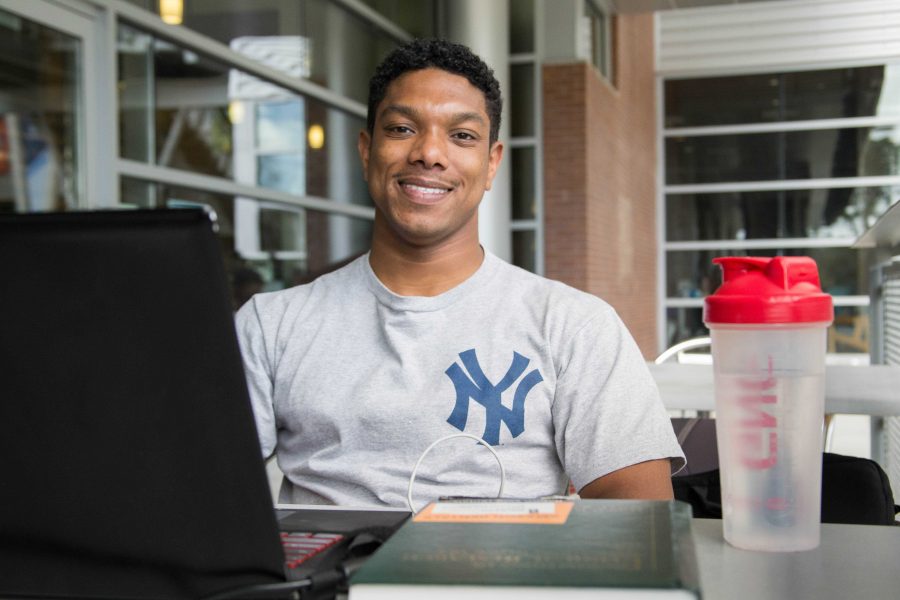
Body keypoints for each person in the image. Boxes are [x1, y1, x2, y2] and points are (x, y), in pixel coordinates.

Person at [236, 38, 684, 508]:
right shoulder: (272, 325)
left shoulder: (573, 326)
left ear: (491, 164)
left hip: (503, 578)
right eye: (402, 128)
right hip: (323, 581)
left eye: (462, 136)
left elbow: (640, 515)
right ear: (366, 151)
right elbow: (199, 491)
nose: (429, 153)